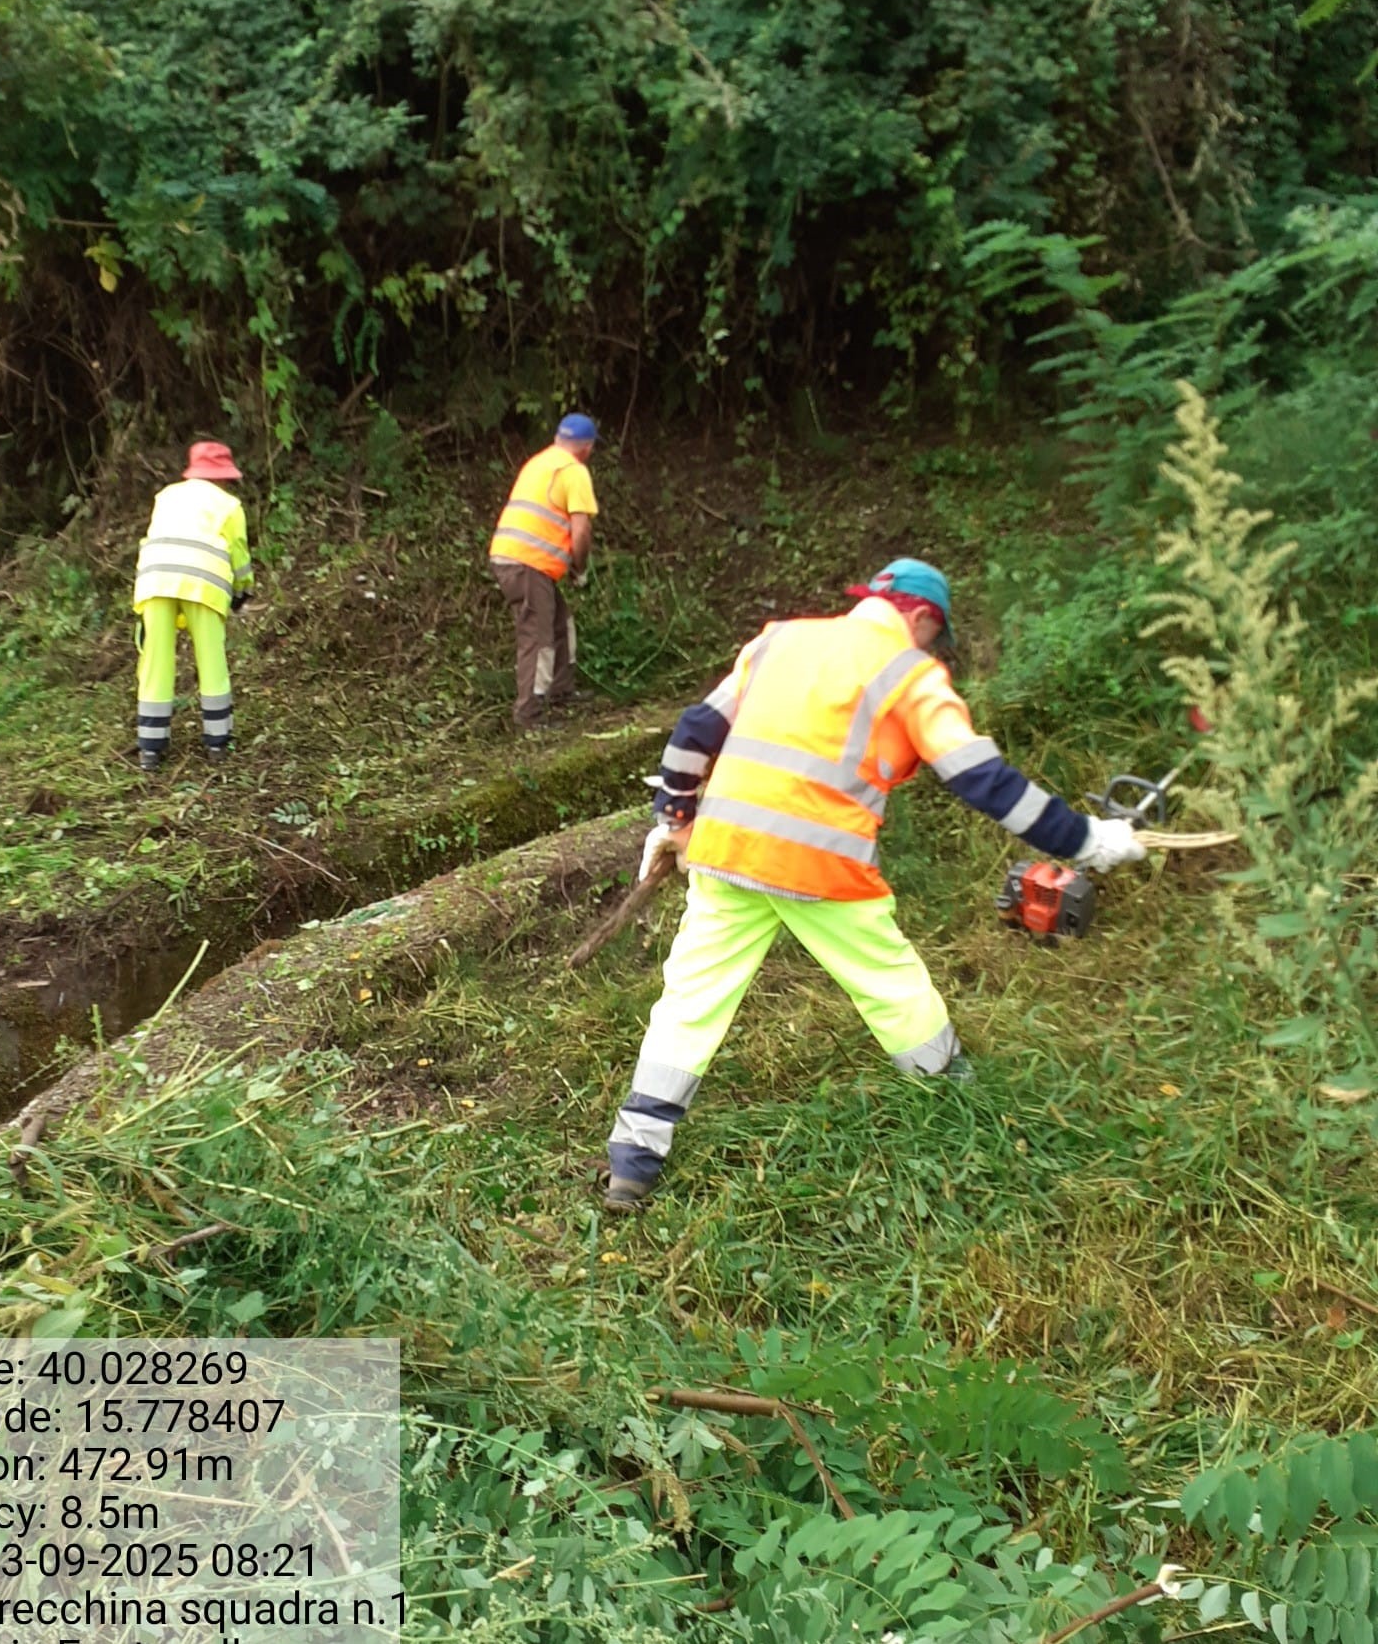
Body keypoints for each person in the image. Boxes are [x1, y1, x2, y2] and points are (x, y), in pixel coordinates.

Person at [603, 557, 1147, 1211]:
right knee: (890, 982)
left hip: (725, 852)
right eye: (932, 636)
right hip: (821, 867)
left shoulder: (781, 639)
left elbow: (695, 729)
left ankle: (633, 1159)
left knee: (690, 999)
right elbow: (985, 781)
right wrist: (1089, 840)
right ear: (921, 619)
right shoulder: (911, 674)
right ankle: (953, 1100)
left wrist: (676, 817)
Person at [133, 440, 255, 772]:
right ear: (223, 476)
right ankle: (217, 745)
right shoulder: (228, 505)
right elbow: (239, 555)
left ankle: (150, 751)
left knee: (156, 661)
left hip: (155, 578)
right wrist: (243, 591)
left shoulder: (166, 496)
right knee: (211, 659)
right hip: (204, 580)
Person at [489, 412, 599, 729]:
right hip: (528, 563)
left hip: (513, 558)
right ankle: (528, 715)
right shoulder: (573, 471)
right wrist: (580, 568)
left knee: (560, 622)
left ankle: (561, 690)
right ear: (587, 447)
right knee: (539, 639)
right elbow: (580, 532)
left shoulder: (539, 462)